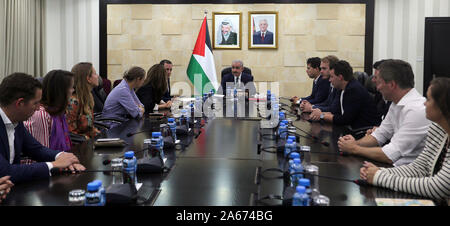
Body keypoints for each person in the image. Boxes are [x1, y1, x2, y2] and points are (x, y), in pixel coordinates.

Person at [360, 77, 450, 200]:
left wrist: (379, 177)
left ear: (442, 106)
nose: (424, 103)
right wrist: (379, 172)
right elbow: (420, 168)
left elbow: (437, 187)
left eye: (428, 99)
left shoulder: (418, 112)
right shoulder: (437, 128)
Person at [338, 60, 430, 166]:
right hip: (394, 168)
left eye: (379, 82)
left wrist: (354, 148)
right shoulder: (396, 103)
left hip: (409, 175)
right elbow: (379, 135)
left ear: (391, 85)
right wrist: (353, 143)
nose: (377, 87)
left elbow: (389, 156)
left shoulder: (417, 110)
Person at [0, 73, 85, 183]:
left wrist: (62, 156)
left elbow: (35, 149)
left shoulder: (16, 121)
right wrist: (53, 165)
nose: (38, 108)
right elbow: (6, 172)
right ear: (20, 103)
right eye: (35, 103)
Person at [312, 60, 381, 129]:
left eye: (332, 77)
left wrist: (321, 115)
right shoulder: (341, 88)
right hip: (349, 129)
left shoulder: (353, 90)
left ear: (340, 77)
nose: (329, 80)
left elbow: (345, 120)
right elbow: (335, 111)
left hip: (362, 131)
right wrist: (320, 113)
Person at [24, 70, 74, 151]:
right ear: (61, 91)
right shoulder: (41, 114)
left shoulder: (59, 113)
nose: (73, 91)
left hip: (59, 159)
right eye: (71, 87)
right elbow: (40, 154)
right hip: (49, 162)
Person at [66, 62, 101, 139]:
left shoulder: (88, 97)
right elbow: (70, 133)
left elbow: (89, 128)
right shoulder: (73, 102)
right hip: (78, 147)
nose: (97, 76)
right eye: (95, 74)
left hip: (88, 143)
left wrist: (99, 134)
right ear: (88, 79)